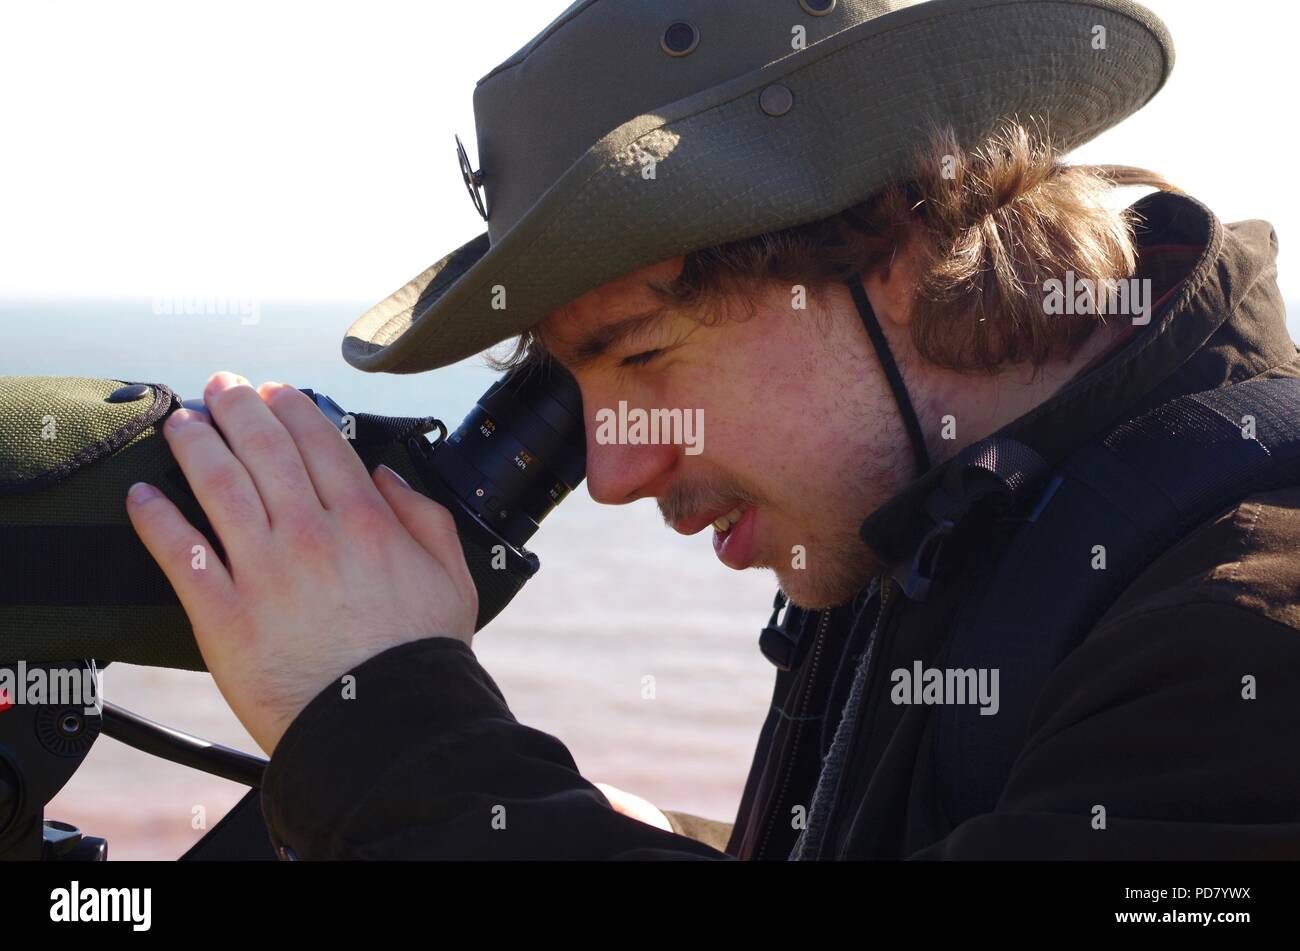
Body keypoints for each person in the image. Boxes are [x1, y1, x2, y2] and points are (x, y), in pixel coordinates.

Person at [125, 0, 1300, 859]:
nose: (615, 470)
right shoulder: (950, 508)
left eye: (640, 354)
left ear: (903, 239)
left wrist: (387, 728)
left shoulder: (1249, 628)